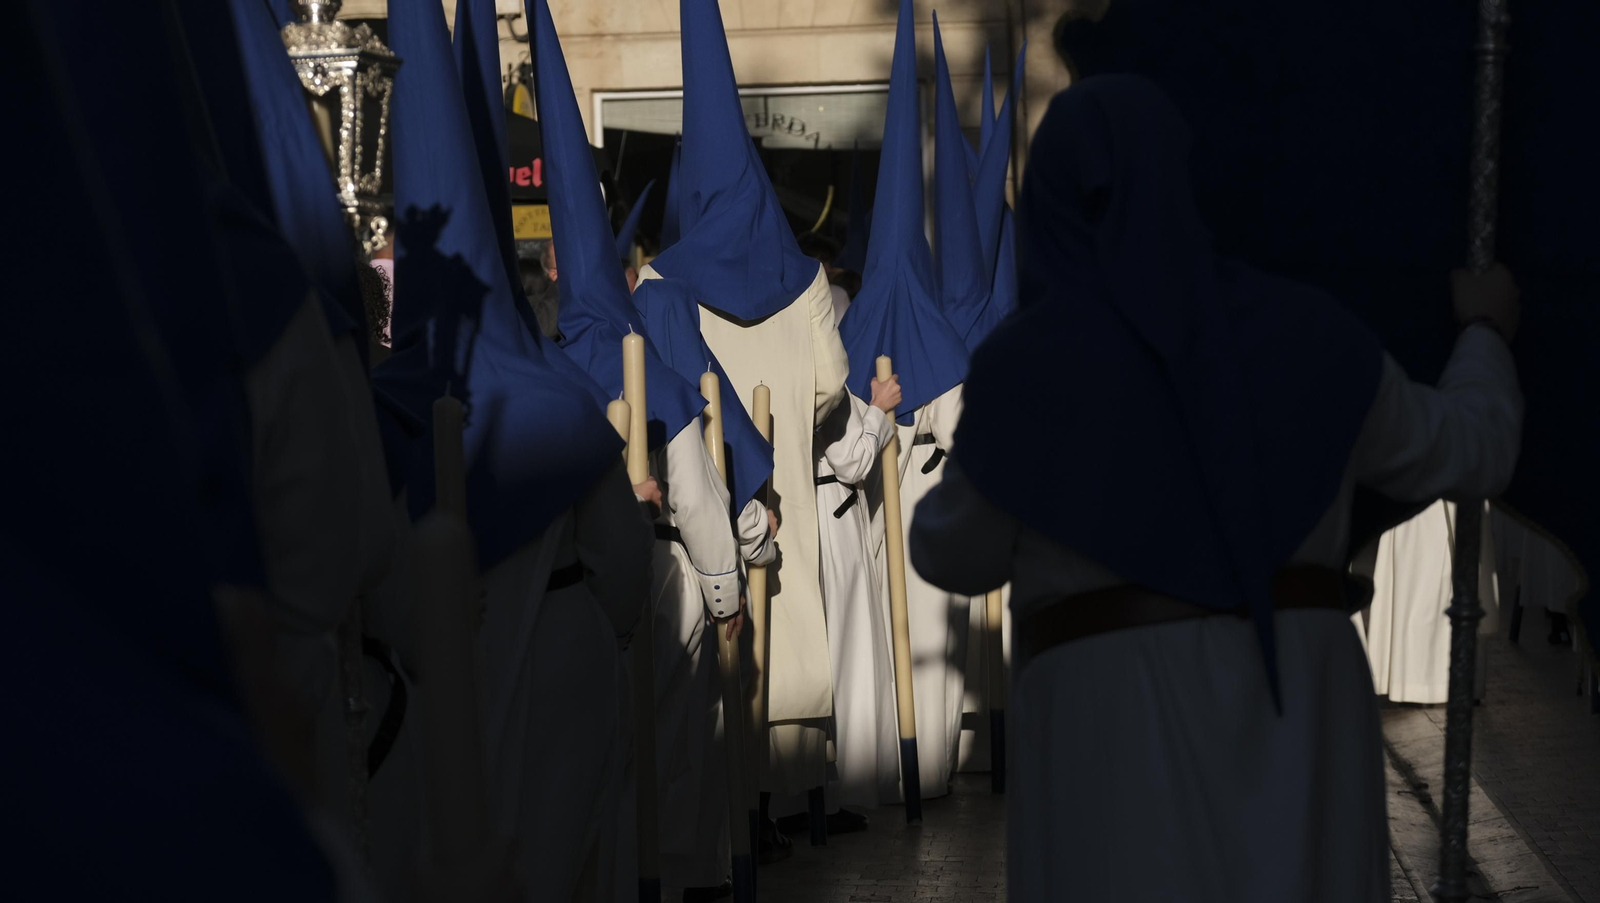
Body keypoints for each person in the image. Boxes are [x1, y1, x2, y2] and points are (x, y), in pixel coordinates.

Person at [908, 76, 1522, 902]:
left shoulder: (1028, 367)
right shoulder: (1314, 334)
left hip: (1105, 718)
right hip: (1294, 698)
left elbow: (955, 550)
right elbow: (1470, 448)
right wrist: (1483, 332)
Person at [374, 1, 655, 899]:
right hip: (565, 664)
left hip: (430, 685)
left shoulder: (377, 402)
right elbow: (621, 560)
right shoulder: (561, 393)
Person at [639, 0, 850, 857]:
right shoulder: (804, 279)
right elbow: (836, 385)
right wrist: (801, 421)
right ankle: (788, 801)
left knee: (730, 657)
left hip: (721, 495)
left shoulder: (661, 281)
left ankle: (742, 811)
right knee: (794, 627)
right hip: (790, 483)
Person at [837, 0, 973, 803]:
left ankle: (905, 765)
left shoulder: (848, 334)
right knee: (917, 642)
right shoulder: (950, 349)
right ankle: (917, 765)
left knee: (902, 642)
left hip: (886, 514)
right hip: (912, 509)